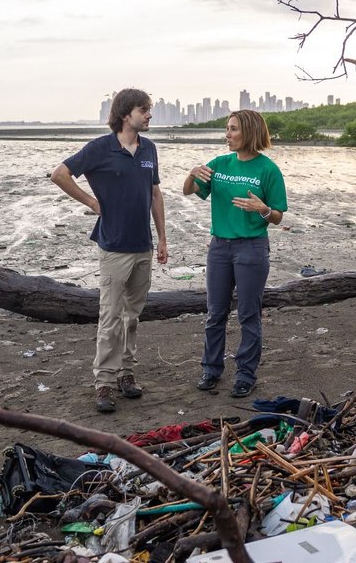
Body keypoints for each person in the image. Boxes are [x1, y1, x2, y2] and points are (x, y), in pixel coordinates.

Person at [50, 89, 168, 413]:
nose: (149, 115)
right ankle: (104, 381)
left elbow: (155, 194)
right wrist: (91, 202)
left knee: (133, 316)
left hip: (142, 244)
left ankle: (126, 374)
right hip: (114, 246)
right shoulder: (100, 148)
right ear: (126, 113)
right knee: (111, 316)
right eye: (144, 110)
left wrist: (162, 238)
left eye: (150, 110)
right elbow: (59, 174)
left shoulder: (149, 149)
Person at [182, 109, 287, 397]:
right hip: (219, 247)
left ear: (250, 132)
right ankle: (211, 369)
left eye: (233, 129)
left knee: (248, 314)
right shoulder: (219, 164)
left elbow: (277, 217)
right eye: (227, 129)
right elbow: (188, 191)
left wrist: (263, 209)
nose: (227, 135)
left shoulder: (268, 170)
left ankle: (245, 373)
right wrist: (191, 174)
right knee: (215, 312)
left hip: (252, 247)